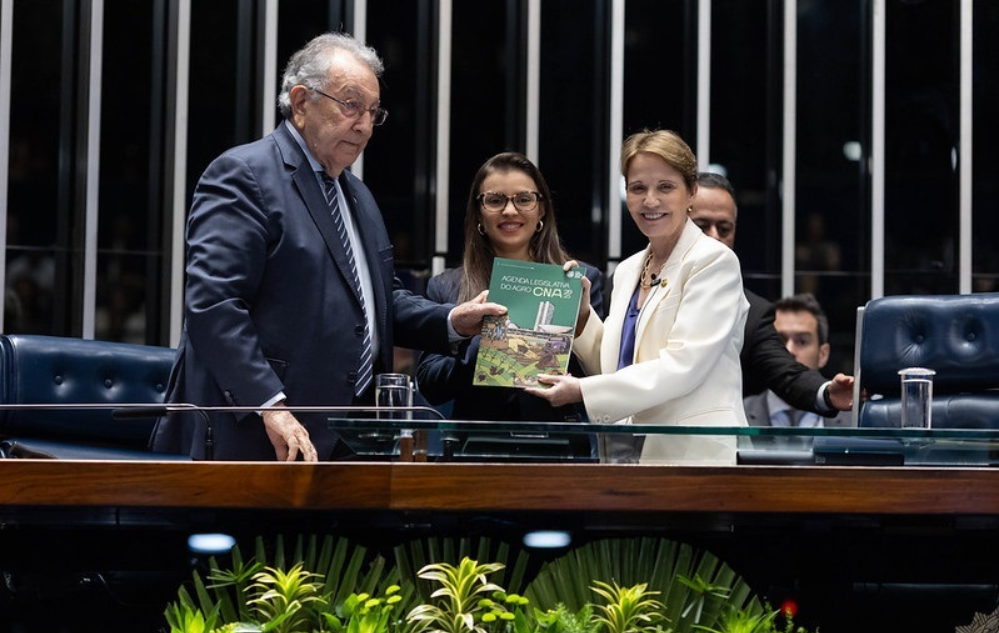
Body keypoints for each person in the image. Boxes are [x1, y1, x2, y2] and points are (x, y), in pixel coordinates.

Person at [151, 33, 503, 462]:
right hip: (264, 430)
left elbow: (379, 302)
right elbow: (214, 305)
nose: (364, 125)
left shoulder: (357, 196)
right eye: (350, 105)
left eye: (374, 112)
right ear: (301, 103)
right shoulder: (244, 174)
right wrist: (270, 405)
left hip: (352, 433)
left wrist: (452, 320)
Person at [526, 129, 749, 464]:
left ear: (691, 192)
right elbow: (617, 364)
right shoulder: (630, 269)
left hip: (694, 458)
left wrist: (583, 392)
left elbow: (683, 366)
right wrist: (584, 316)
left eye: (665, 187)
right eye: (638, 188)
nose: (650, 201)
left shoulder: (714, 260)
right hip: (626, 454)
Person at [415, 151, 605, 423]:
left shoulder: (580, 281)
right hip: (474, 451)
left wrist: (580, 324)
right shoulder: (447, 286)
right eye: (494, 200)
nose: (510, 210)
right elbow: (430, 386)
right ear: (478, 213)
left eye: (524, 200)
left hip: (559, 449)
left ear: (542, 209)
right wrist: (483, 343)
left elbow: (604, 376)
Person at [691, 172, 854, 415]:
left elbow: (787, 372)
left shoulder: (752, 310)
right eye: (702, 226)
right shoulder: (630, 283)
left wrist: (826, 393)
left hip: (710, 445)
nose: (714, 236)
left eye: (724, 228)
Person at [743, 293, 853, 428]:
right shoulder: (739, 414)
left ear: (823, 354)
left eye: (802, 341)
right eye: (779, 342)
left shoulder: (854, 421)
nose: (789, 351)